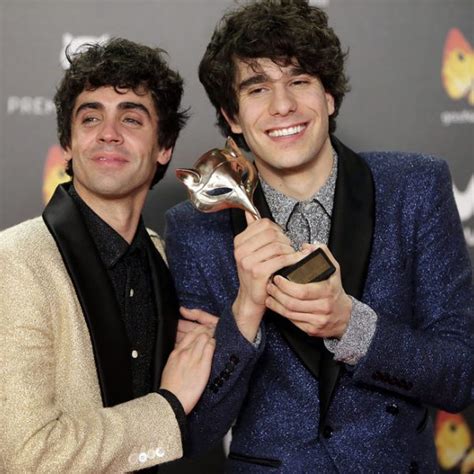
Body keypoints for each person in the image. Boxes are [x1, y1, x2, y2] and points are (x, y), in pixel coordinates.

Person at [164, 1, 474, 472]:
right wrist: (244, 313)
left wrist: (353, 327)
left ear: (329, 96)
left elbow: (460, 374)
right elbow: (196, 428)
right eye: (258, 88)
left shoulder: (415, 186)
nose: (282, 105)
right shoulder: (197, 229)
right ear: (232, 116)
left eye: (300, 81)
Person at [0, 38, 215, 473]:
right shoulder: (15, 262)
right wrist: (167, 407)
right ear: (69, 144)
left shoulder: (170, 262)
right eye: (90, 117)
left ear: (164, 148)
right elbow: (27, 456)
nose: (108, 133)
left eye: (131, 118)